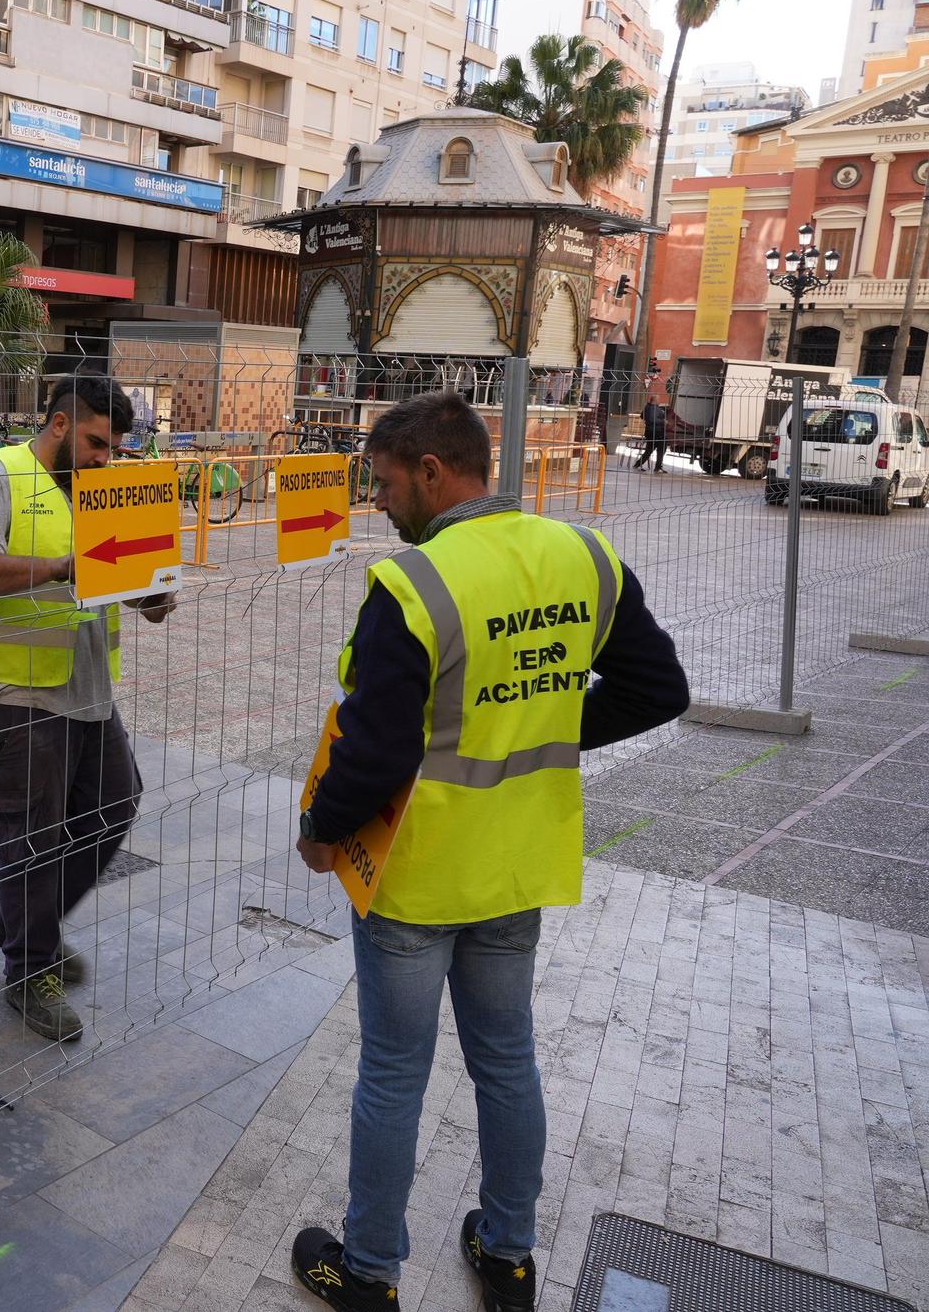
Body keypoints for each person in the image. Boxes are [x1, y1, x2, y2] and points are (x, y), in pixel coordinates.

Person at [289, 391, 689, 1312]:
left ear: (433, 472)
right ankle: (508, 1257)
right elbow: (659, 686)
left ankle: (370, 1272)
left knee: (394, 1069)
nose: (381, 505)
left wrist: (317, 832)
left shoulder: (417, 584)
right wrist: (547, 727)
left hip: (418, 878)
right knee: (506, 1061)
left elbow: (376, 747)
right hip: (517, 868)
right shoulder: (582, 555)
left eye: (386, 486)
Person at [0, 369, 174, 1042]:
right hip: (10, 690)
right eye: (97, 442)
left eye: (115, 449)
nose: (104, 458)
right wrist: (56, 567)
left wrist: (150, 594)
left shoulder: (101, 491)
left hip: (84, 687)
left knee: (114, 805)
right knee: (31, 840)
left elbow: (114, 576)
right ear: (61, 423)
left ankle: (21, 924)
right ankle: (29, 970)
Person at [634, 389, 668, 472]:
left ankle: (638, 464)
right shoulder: (653, 408)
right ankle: (658, 467)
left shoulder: (647, 407)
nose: (659, 401)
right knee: (661, 449)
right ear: (655, 400)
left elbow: (642, 416)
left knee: (649, 450)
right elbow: (652, 419)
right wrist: (662, 421)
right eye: (658, 400)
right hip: (657, 432)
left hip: (650, 432)